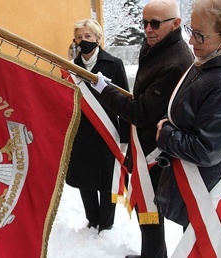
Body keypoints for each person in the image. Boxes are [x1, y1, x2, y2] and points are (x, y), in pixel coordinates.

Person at [147, 0, 221, 256]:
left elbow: (207, 150)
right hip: (193, 180)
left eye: (200, 35)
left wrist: (166, 134)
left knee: (204, 245)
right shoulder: (212, 58)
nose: (191, 42)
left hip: (204, 187)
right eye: (192, 31)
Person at [90, 0, 193, 256]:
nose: (147, 29)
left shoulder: (176, 60)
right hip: (146, 145)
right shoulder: (156, 44)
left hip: (158, 153)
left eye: (155, 23)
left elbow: (141, 112)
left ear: (176, 24)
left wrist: (105, 91)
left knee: (151, 211)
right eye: (144, 22)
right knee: (147, 214)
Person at [65, 19, 130, 233]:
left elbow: (125, 103)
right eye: (80, 37)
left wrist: (124, 137)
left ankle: (106, 224)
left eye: (88, 37)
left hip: (107, 132)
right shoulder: (72, 68)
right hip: (82, 134)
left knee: (107, 179)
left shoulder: (114, 64)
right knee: (86, 179)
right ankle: (92, 221)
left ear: (98, 38)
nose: (84, 41)